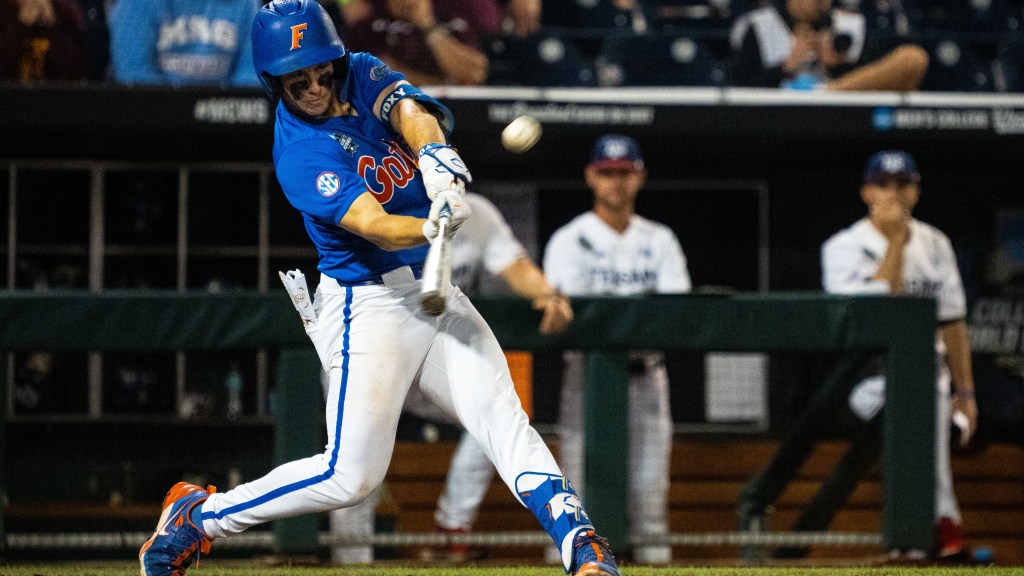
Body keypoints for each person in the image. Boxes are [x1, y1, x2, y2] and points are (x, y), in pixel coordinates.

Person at [138, 3, 621, 576]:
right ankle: (200, 517)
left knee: (502, 417)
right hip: (367, 303)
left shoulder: (361, 69)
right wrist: (431, 223)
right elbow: (375, 227)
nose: (316, 87)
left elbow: (411, 111)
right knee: (351, 475)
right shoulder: (299, 151)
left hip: (431, 289)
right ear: (275, 83)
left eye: (322, 71)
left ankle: (581, 542)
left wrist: (435, 156)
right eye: (300, 80)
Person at [326, 192, 574, 564]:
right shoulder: (371, 198)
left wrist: (546, 293)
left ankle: (451, 530)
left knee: (494, 414)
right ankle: (350, 562)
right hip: (370, 351)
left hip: (431, 355)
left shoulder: (472, 210)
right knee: (354, 474)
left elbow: (513, 263)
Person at [821, 149, 977, 560]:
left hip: (930, 374)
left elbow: (953, 321)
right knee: (915, 410)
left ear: (916, 190)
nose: (895, 193)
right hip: (866, 378)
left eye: (903, 184)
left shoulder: (935, 243)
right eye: (884, 184)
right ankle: (941, 525)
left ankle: (917, 542)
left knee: (922, 404)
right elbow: (880, 312)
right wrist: (893, 242)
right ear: (866, 192)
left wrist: (967, 393)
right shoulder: (843, 246)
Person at [543, 134, 691, 565]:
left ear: (639, 176)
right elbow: (573, 318)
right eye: (607, 173)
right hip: (586, 378)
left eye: (624, 173)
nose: (616, 182)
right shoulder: (569, 239)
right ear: (592, 176)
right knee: (576, 496)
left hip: (648, 376)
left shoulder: (660, 239)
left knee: (649, 495)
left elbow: (675, 312)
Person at [729, 0, 928, 91]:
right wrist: (785, 66)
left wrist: (838, 65)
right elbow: (738, 87)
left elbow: (872, 80)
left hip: (841, 107)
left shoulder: (851, 25)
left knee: (912, 58)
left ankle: (825, 93)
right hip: (780, 112)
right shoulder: (761, 25)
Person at [338, 0, 501, 86]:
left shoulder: (452, 11)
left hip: (455, 115)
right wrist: (442, 83)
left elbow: (475, 73)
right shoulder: (369, 22)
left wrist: (427, 26)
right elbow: (373, 74)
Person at [109, 0, 260, 86]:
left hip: (227, 122)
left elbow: (252, 74)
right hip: (154, 124)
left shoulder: (247, 4)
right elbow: (132, 72)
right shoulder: (137, 4)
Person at [0, 0, 94, 82]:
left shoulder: (65, 10)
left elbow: (76, 72)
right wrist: (21, 24)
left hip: (57, 97)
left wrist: (52, 25)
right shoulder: (4, 10)